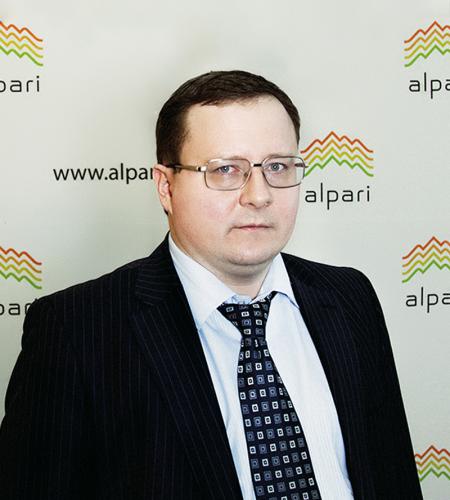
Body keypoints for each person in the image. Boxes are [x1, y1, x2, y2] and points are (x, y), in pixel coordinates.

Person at [0, 70, 422, 500]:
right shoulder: (76, 330)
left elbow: (394, 476)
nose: (259, 195)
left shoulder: (349, 296)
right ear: (166, 187)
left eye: (278, 166)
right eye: (226, 170)